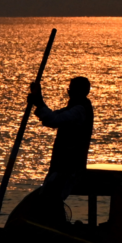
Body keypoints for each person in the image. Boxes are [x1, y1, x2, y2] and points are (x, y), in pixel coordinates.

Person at [27, 77, 94, 222]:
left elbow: (54, 120)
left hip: (70, 168)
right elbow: (53, 116)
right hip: (62, 166)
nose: (69, 92)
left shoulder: (79, 110)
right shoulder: (74, 108)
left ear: (80, 91)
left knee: (53, 199)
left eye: (72, 89)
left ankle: (55, 226)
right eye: (69, 89)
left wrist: (39, 102)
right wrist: (39, 103)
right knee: (49, 198)